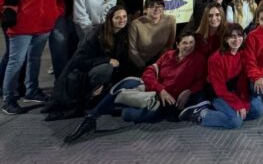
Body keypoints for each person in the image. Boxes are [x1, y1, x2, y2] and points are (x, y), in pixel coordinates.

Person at [63, 29, 208, 142]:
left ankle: (114, 105)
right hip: (154, 88)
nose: (188, 46)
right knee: (124, 83)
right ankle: (90, 119)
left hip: (162, 101)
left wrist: (189, 90)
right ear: (178, 44)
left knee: (128, 115)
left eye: (191, 43)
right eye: (185, 43)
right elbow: (149, 72)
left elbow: (201, 80)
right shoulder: (168, 55)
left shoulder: (197, 59)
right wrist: (160, 89)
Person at [0, 0, 63, 114]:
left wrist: (56, 12)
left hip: (44, 26)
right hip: (22, 27)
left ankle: (32, 91)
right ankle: (8, 99)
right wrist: (5, 14)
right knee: (16, 62)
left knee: (34, 59)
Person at [45, 6, 131, 120]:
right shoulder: (96, 34)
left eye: (124, 16)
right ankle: (90, 94)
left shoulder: (124, 34)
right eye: (118, 17)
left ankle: (101, 94)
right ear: (110, 19)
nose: (122, 20)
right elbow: (79, 59)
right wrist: (107, 61)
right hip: (85, 71)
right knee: (106, 68)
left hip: (106, 74)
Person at [190, 23, 263, 128]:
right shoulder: (215, 59)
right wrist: (238, 105)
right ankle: (202, 114)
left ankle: (227, 112)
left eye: (239, 36)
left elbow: (242, 81)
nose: (237, 39)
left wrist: (243, 102)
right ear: (226, 39)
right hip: (218, 93)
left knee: (258, 111)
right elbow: (220, 90)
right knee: (235, 121)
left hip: (235, 91)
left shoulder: (243, 54)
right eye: (232, 36)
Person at [128, 0, 176, 71]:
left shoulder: (170, 20)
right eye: (152, 6)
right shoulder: (135, 24)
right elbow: (132, 50)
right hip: (140, 63)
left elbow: (169, 45)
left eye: (159, 6)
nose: (156, 9)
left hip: (161, 62)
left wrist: (159, 64)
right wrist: (144, 67)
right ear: (145, 9)